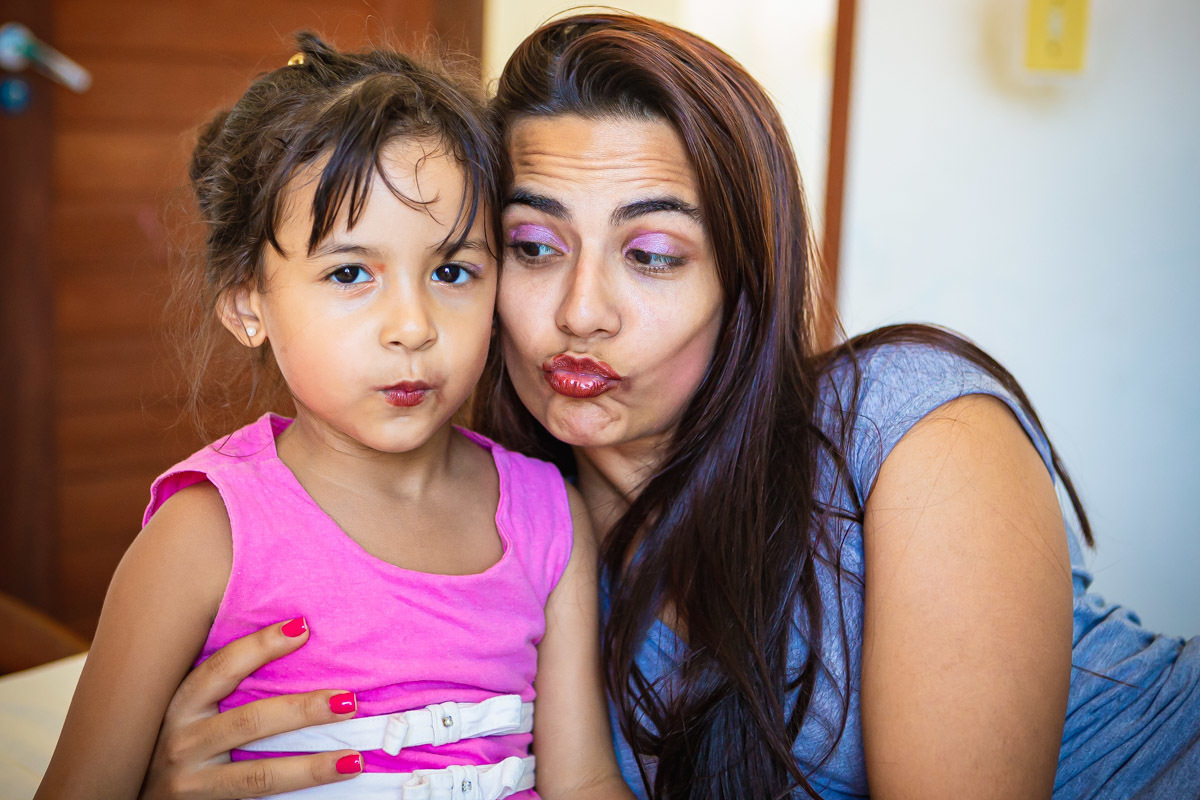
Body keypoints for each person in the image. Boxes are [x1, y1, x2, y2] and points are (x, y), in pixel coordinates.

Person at [132, 13, 1199, 800]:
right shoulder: (512, 543)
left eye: (651, 254)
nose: (579, 311)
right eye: (534, 247)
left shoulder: (909, 430)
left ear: (744, 280)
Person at [35, 33, 632, 800]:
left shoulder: (549, 516)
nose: (413, 325)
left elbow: (581, 779)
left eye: (453, 271)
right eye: (351, 272)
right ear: (249, 304)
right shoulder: (206, 533)